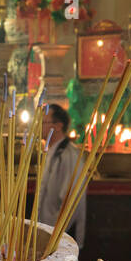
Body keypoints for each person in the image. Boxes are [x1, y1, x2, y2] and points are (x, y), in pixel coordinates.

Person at [36, 103, 85, 247]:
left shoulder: (69, 155)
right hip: (48, 229)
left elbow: (71, 200)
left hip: (62, 235)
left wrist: (56, 234)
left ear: (58, 126)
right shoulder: (51, 151)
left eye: (43, 122)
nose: (39, 126)